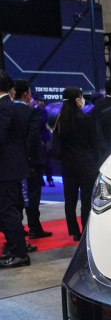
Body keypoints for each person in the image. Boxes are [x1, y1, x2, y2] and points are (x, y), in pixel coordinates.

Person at [56, 87, 101, 241]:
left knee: (70, 200)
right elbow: (94, 143)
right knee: (86, 200)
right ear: (77, 100)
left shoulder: (60, 120)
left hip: (67, 166)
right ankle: (85, 229)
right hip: (86, 165)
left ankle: (74, 231)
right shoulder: (87, 119)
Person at [0, 71, 32, 268]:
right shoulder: (7, 106)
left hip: (6, 169)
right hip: (9, 168)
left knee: (8, 211)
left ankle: (19, 253)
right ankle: (14, 250)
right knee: (8, 210)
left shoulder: (4, 107)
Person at [13, 80, 51, 239]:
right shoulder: (32, 112)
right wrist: (26, 155)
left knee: (15, 196)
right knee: (33, 195)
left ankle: (18, 230)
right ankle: (34, 228)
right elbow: (33, 137)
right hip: (32, 160)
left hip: (13, 160)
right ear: (26, 94)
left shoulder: (8, 110)